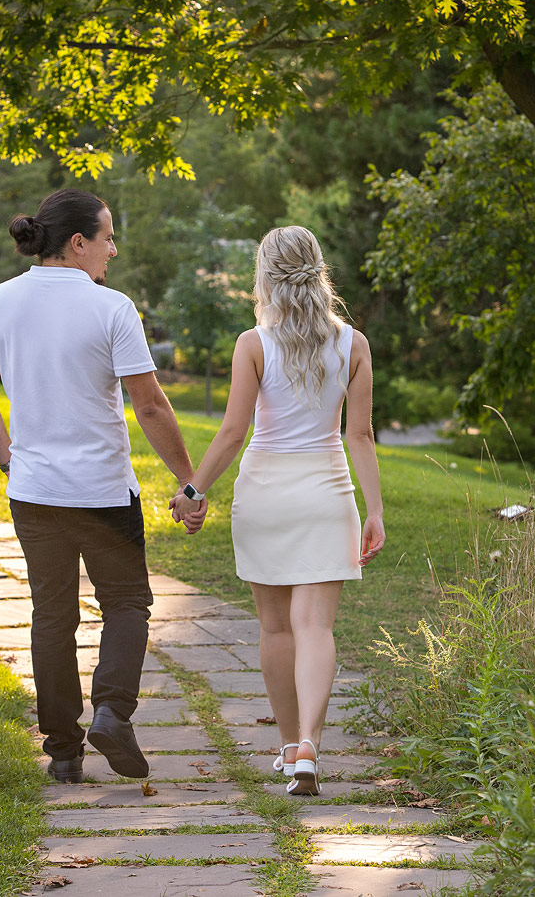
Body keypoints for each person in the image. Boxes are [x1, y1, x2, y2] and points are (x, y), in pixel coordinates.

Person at [0, 188, 201, 785]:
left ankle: (64, 751)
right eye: (107, 238)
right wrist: (188, 480)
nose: (113, 250)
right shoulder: (112, 308)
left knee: (52, 615)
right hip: (102, 494)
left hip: (34, 493)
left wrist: (11, 462)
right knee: (126, 604)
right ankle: (113, 713)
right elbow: (150, 405)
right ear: (77, 243)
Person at [180, 225, 385, 795]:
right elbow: (360, 435)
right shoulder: (354, 344)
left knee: (275, 628)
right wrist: (374, 511)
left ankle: (290, 746)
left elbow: (232, 432)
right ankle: (311, 748)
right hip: (326, 495)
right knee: (315, 627)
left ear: (265, 276)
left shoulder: (253, 344)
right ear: (320, 271)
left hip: (265, 496)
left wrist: (193, 491)